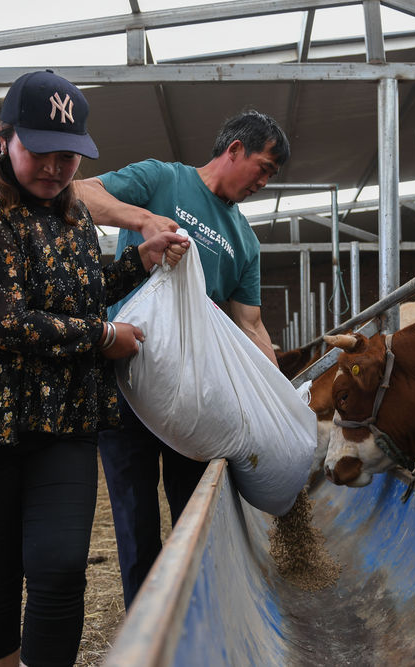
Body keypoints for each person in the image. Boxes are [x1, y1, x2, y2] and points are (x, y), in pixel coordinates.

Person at [0, 70, 188, 667]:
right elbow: (5, 320)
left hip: (63, 413)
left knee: (60, 568)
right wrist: (104, 335)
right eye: (42, 151)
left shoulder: (75, 216)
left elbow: (78, 293)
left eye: (70, 155)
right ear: (5, 140)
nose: (57, 168)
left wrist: (138, 260)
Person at [74, 109, 290, 608]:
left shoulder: (245, 240)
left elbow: (250, 323)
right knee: (133, 510)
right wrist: (142, 217)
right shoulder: (161, 178)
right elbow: (81, 193)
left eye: (271, 177)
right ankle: (147, 621)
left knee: (195, 501)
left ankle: (198, 611)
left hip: (193, 391)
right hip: (125, 372)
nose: (264, 182)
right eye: (263, 167)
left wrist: (279, 399)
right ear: (234, 149)